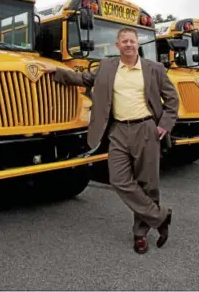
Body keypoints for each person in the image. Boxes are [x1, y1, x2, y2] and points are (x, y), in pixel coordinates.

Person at [37, 27, 179, 254]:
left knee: (147, 183)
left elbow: (172, 100)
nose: (129, 45)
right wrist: (55, 70)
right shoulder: (107, 67)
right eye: (124, 41)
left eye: (132, 41)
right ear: (118, 45)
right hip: (118, 130)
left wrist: (164, 125)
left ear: (137, 44)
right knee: (119, 179)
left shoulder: (155, 69)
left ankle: (140, 234)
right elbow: (83, 78)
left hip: (146, 129)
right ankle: (159, 217)